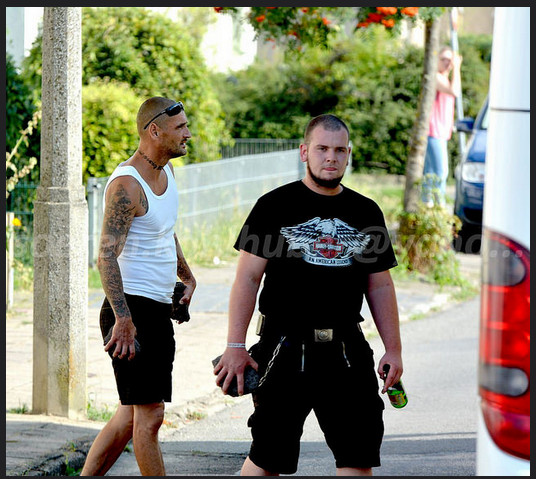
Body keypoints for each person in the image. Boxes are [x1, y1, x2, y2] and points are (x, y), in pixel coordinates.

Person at [214, 114, 403, 476]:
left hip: (347, 351)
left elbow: (379, 285)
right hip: (283, 347)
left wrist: (393, 349)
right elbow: (247, 280)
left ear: (348, 155)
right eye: (321, 149)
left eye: (338, 150)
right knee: (267, 458)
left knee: (358, 456)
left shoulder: (366, 212)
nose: (330, 157)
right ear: (304, 152)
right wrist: (235, 346)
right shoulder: (273, 206)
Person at [81, 97, 196, 476]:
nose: (188, 134)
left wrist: (186, 276)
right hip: (130, 311)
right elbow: (106, 256)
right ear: (154, 130)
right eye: (180, 128)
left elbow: (165, 230)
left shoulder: (167, 174)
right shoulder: (127, 185)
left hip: (156, 307)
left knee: (129, 416)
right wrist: (123, 319)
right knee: (150, 417)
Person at [422, 45, 462, 206]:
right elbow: (455, 91)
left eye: (449, 60)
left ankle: (426, 204)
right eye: (443, 59)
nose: (447, 63)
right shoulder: (436, 77)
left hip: (441, 132)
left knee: (430, 173)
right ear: (437, 60)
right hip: (434, 131)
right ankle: (439, 206)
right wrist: (457, 67)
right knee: (441, 172)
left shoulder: (445, 78)